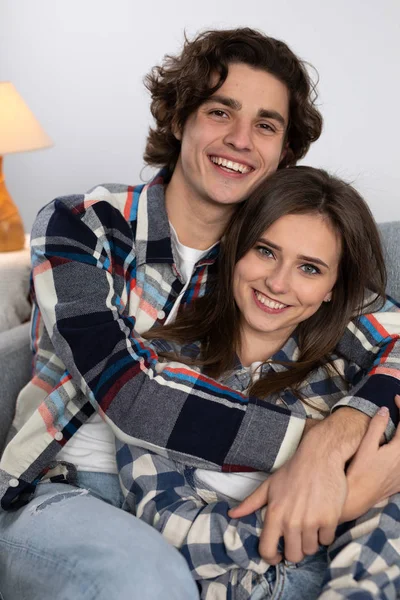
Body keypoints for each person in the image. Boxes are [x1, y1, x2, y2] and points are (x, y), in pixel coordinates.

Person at [0, 27, 399, 600]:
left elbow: (391, 332)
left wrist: (344, 436)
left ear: (284, 152)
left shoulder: (262, 253)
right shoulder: (83, 225)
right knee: (146, 583)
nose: (240, 139)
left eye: (265, 125)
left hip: (201, 493)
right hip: (65, 491)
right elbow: (134, 398)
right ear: (178, 117)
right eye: (220, 111)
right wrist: (326, 459)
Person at [117, 166, 400, 599]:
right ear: (235, 247)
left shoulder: (351, 369)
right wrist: (341, 502)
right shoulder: (160, 370)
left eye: (309, 268)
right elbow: (172, 528)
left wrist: (332, 443)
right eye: (266, 251)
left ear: (333, 287)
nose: (278, 282)